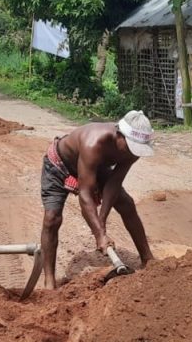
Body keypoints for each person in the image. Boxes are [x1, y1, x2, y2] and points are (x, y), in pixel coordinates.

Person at [39, 110, 156, 289]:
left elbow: (114, 183)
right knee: (52, 218)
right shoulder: (94, 143)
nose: (132, 152)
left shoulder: (132, 150)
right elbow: (85, 194)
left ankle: (148, 259)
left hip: (96, 167)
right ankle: (49, 281)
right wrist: (99, 234)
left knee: (126, 203)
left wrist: (101, 221)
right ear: (119, 135)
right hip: (59, 164)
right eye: (130, 146)